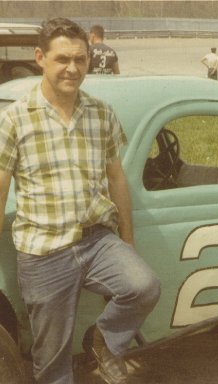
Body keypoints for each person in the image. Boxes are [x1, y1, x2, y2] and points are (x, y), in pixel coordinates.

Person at [0, 17, 160, 384]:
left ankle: (103, 341)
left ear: (89, 59)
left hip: (96, 240)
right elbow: (1, 187)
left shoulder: (100, 113)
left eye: (80, 59)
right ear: (40, 57)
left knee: (144, 285)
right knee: (52, 362)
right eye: (62, 59)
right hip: (43, 251)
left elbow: (116, 176)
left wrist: (128, 239)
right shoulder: (14, 119)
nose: (72, 68)